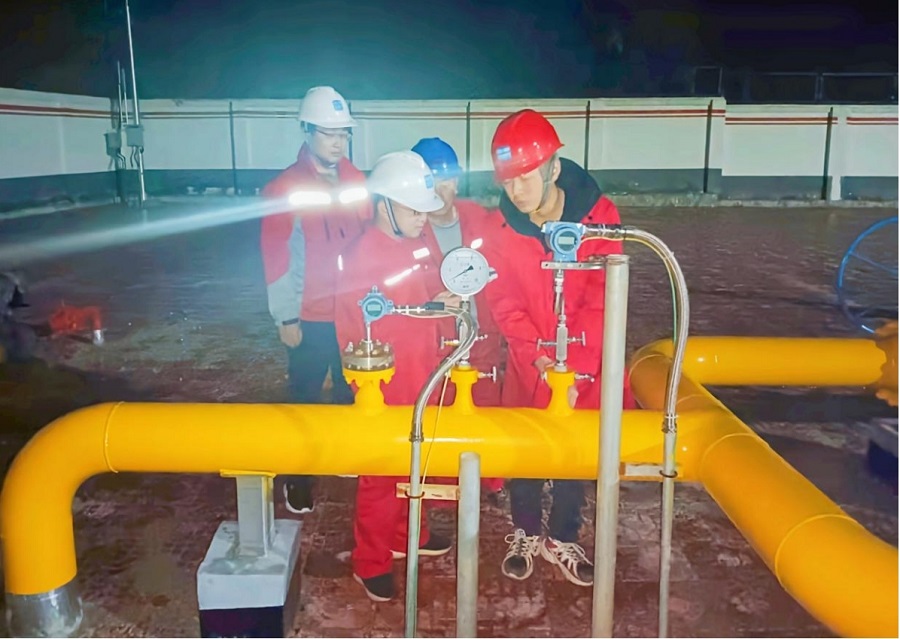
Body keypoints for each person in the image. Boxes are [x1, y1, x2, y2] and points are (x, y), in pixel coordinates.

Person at [481, 109, 634, 587]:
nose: (516, 191)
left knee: (577, 450)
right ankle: (526, 531)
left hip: (587, 364)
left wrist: (575, 370)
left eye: (525, 176)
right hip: (531, 363)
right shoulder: (501, 228)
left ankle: (563, 535)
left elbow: (602, 300)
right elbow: (503, 301)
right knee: (525, 446)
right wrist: (539, 358)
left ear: (553, 167)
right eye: (507, 180)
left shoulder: (599, 217)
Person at [334, 150, 458, 602]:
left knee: (416, 461)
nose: (423, 218)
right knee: (381, 474)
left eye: (424, 210)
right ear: (384, 205)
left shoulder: (418, 241)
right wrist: (363, 386)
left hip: (424, 371)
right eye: (413, 210)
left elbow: (428, 290)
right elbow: (354, 326)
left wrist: (446, 300)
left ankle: (410, 535)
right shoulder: (361, 255)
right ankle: (370, 561)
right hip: (384, 383)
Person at [259, 86, 370, 515]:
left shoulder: (357, 181)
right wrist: (285, 317)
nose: (339, 142)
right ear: (307, 131)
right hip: (309, 315)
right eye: (329, 133)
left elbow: (369, 241)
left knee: (351, 390)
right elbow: (276, 257)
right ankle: (298, 477)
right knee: (304, 396)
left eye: (344, 134)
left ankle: (342, 454)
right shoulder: (284, 188)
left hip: (353, 312)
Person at [410, 137, 505, 406]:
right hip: (434, 355)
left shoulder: (483, 220)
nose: (439, 190)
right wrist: (427, 309)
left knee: (486, 424)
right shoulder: (408, 232)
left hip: (483, 351)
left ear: (457, 182)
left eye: (446, 180)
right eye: (430, 182)